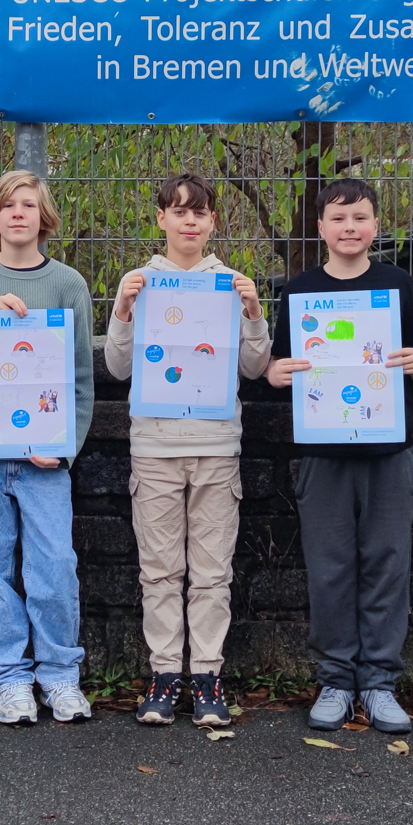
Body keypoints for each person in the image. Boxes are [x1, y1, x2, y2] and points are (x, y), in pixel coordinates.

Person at [266, 177, 413, 734]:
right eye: (338, 220)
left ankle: (381, 681)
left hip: (390, 448)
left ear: (375, 226)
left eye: (360, 218)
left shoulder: (395, 286)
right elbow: (275, 366)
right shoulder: (298, 292)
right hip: (323, 451)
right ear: (321, 228)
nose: (349, 229)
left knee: (387, 562)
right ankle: (337, 678)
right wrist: (276, 372)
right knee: (330, 566)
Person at [102, 172, 271, 728]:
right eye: (178, 211)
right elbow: (118, 367)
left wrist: (252, 313)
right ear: (161, 220)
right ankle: (164, 676)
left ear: (213, 221)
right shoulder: (139, 283)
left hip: (217, 444)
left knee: (211, 571)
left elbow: (252, 369)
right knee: (159, 570)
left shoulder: (232, 284)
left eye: (199, 212)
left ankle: (207, 678)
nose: (189, 221)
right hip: (154, 447)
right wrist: (124, 311)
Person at [0, 170, 97, 726]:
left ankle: (60, 677)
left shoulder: (68, 285)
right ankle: (9, 679)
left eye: (29, 204)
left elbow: (80, 376)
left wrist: (67, 446)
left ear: (44, 215)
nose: (19, 214)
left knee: (55, 563)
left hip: (44, 454)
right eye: (8, 205)